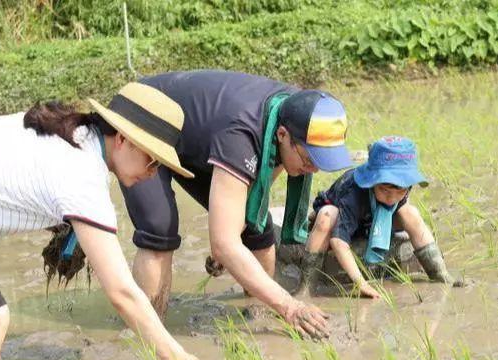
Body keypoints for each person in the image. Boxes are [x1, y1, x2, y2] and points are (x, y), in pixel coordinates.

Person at [0, 82, 218, 360]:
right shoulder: (82, 175)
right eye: (153, 160)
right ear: (122, 139)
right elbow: (123, 294)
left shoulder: (72, 134)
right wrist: (181, 359)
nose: (153, 173)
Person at [118, 70, 353, 338]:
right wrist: (290, 305)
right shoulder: (242, 135)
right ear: (282, 135)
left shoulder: (291, 112)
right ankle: (148, 335)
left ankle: (257, 321)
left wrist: (230, 241)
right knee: (159, 229)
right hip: (145, 118)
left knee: (257, 230)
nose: (313, 169)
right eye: (310, 159)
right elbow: (224, 243)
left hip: (199, 137)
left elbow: (255, 197)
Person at [305, 136, 454, 299]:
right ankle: (307, 285)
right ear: (371, 181)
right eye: (385, 191)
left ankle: (440, 274)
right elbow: (338, 241)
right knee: (327, 215)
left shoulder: (400, 190)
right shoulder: (353, 192)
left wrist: (441, 272)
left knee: (410, 213)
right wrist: (361, 283)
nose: (392, 198)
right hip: (344, 217)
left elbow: (403, 207)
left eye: (400, 191)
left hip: (374, 219)